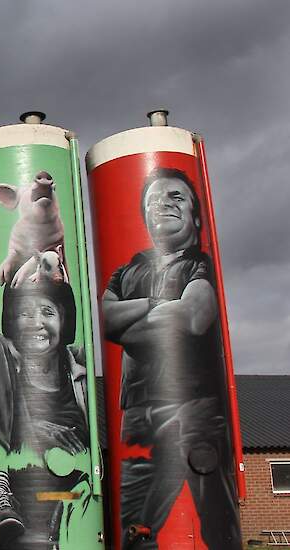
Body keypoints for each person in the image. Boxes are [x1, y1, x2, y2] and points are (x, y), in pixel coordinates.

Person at [101, 167, 240, 549]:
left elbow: (193, 317)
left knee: (215, 522)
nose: (163, 204)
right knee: (134, 526)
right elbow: (103, 320)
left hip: (194, 407)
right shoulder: (126, 270)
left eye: (176, 197)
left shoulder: (200, 263)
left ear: (196, 214)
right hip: (138, 414)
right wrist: (159, 304)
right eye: (154, 200)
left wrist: (130, 324)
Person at [0, 279, 90, 548]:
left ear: (64, 321)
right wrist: (35, 428)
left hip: (72, 491)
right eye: (25, 313)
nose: (36, 322)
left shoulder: (80, 365)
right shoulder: (2, 354)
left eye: (48, 312)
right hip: (17, 497)